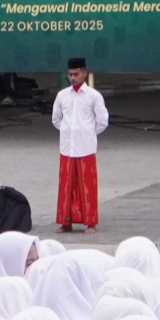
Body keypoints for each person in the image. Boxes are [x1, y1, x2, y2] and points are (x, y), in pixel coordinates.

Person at [52, 58, 108, 232]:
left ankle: (90, 223)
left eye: (76, 74)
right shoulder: (62, 95)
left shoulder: (93, 96)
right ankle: (65, 222)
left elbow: (102, 121)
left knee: (87, 186)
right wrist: (68, 131)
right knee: (66, 186)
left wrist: (87, 133)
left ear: (84, 73)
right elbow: (56, 119)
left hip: (86, 148)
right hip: (67, 148)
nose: (73, 78)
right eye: (70, 74)